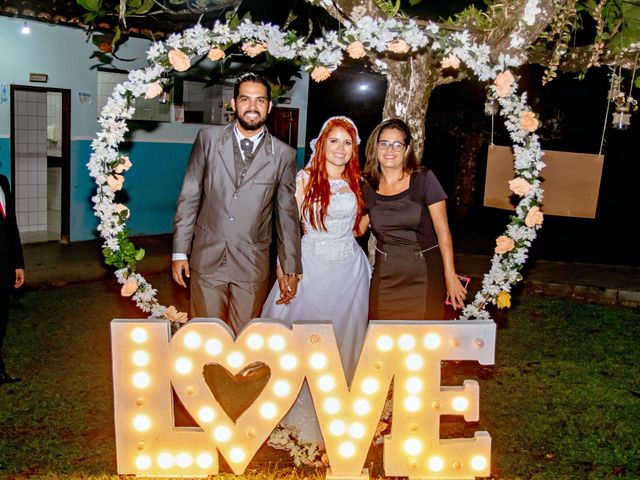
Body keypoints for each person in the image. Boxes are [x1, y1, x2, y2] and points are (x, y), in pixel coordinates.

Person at [263, 116, 371, 446]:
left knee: (344, 339)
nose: (340, 148)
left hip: (349, 272)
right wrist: (284, 269)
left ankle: (339, 410)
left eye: (347, 143)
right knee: (302, 337)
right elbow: (287, 228)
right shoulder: (305, 178)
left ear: (354, 149)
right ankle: (290, 408)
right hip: (309, 266)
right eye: (334, 140)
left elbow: (362, 226)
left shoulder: (358, 182)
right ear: (321, 144)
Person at [172, 72, 302, 334]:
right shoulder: (208, 140)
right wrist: (179, 251)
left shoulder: (283, 155)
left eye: (260, 100)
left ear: (269, 106)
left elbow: (287, 215)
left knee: (243, 337)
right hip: (208, 257)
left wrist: (291, 267)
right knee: (206, 335)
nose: (252, 107)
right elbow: (190, 196)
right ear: (233, 103)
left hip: (252, 262)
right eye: (245, 99)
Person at [362, 118, 466, 320]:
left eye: (397, 144)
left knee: (424, 342)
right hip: (385, 277)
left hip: (424, 275)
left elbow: (443, 231)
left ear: (406, 149)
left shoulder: (424, 179)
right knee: (381, 342)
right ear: (375, 146)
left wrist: (450, 276)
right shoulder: (366, 186)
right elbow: (357, 230)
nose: (389, 150)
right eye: (383, 143)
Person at [0, 174, 25, 385]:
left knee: (0, 322)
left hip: (4, 268)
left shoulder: (2, 181)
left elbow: (11, 226)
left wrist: (18, 264)